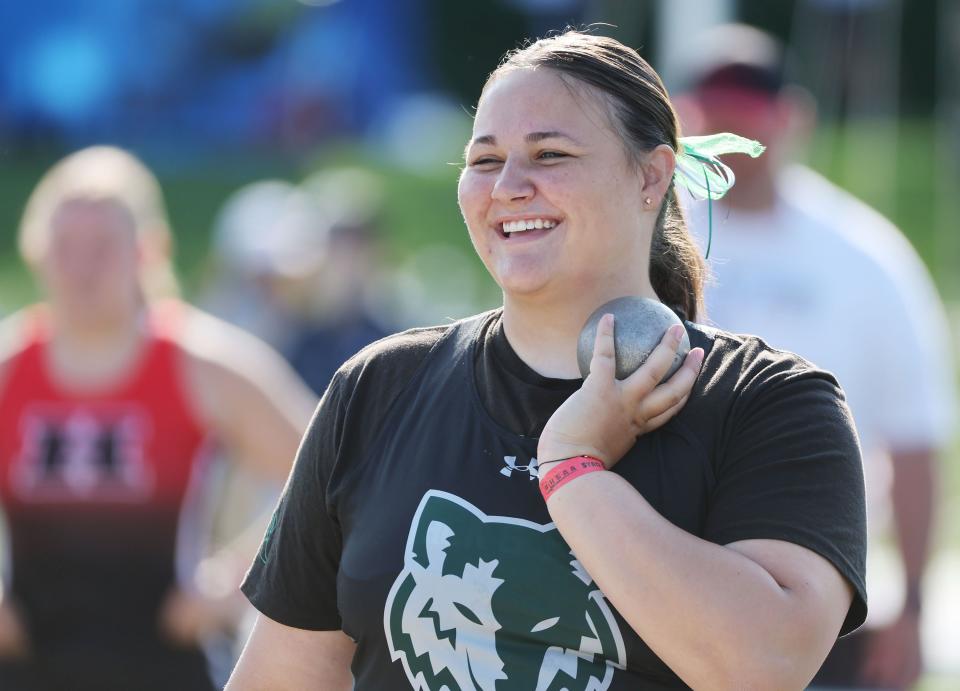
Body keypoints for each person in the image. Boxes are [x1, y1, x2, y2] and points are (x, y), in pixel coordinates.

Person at [227, 30, 867, 690]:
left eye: (549, 154)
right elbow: (280, 677)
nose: (507, 186)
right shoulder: (377, 388)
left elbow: (765, 665)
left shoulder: (773, 403)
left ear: (651, 176)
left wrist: (573, 469)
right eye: (484, 161)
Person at [678, 24, 956, 690]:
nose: (730, 135)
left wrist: (912, 606)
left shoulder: (865, 257)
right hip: (666, 571)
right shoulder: (646, 238)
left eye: (744, 114)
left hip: (819, 586)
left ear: (788, 116)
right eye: (713, 115)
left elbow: (914, 438)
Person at [0, 146, 317, 691]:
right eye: (64, 246)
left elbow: (331, 472)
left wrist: (236, 580)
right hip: (25, 666)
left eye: (103, 247)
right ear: (35, 252)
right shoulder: (8, 369)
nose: (82, 268)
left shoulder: (202, 364)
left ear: (148, 251)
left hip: (169, 665)